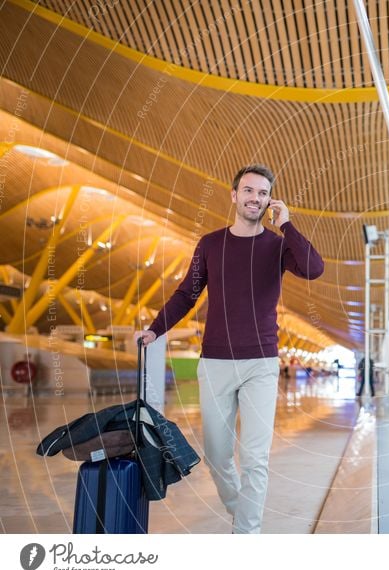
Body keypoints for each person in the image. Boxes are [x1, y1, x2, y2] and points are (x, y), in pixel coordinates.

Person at [134, 164, 324, 534]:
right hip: (216, 362)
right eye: (249, 191)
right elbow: (187, 294)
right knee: (218, 456)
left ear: (270, 200)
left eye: (263, 193)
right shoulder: (210, 244)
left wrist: (286, 224)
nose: (256, 198)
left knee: (255, 459)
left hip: (262, 363)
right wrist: (157, 330)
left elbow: (313, 268)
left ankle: (246, 534)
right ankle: (241, 511)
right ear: (235, 195)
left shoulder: (278, 245)